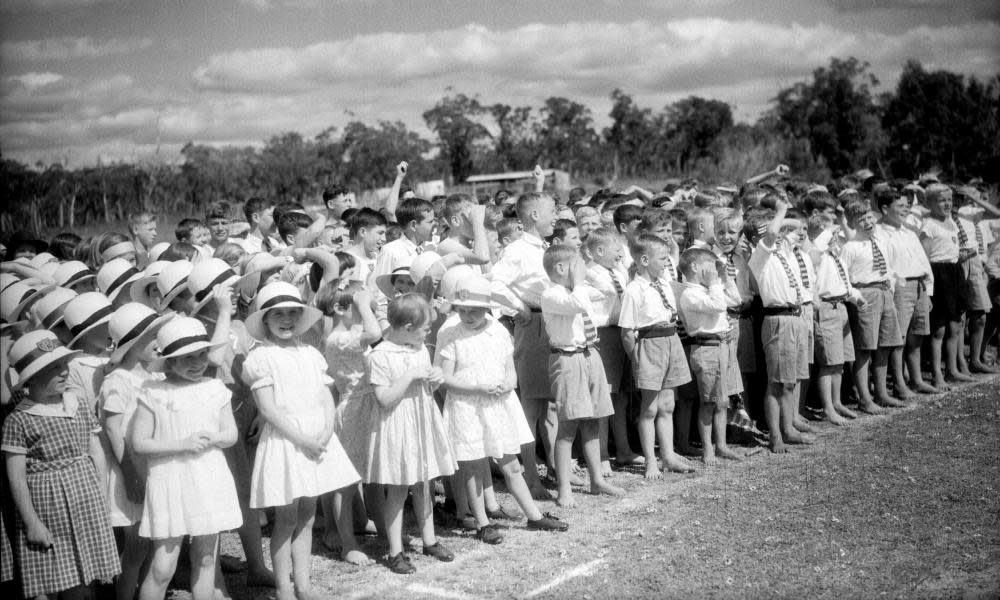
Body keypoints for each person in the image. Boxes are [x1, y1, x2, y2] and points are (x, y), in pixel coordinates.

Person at [243, 282, 363, 596]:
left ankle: (304, 584)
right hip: (286, 441)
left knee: (308, 517)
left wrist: (324, 431)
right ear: (265, 319)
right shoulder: (261, 357)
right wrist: (302, 439)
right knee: (285, 519)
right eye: (278, 314)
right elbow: (268, 409)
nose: (286, 320)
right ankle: (284, 587)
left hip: (317, 438)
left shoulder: (310, 353)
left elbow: (326, 396)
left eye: (292, 313)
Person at [439, 275, 568, 542]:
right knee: (474, 468)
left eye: (473, 309)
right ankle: (482, 523)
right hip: (467, 407)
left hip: (499, 406)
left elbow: (510, 370)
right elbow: (446, 378)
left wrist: (508, 384)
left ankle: (534, 516)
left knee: (511, 465)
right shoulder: (451, 334)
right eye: (461, 310)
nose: (466, 315)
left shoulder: (498, 331)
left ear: (486, 307)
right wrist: (475, 389)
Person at [2, 330, 121, 600]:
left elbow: (96, 452)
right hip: (48, 508)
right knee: (49, 579)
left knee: (86, 578)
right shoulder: (19, 420)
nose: (64, 372)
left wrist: (101, 493)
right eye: (53, 367)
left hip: (85, 499)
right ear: (31, 377)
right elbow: (16, 478)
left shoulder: (76, 403)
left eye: (64, 364)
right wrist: (32, 522)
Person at [130, 317, 242, 600]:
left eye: (202, 355)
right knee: (162, 566)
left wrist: (213, 438)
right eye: (187, 357)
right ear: (169, 361)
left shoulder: (215, 388)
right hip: (170, 481)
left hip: (208, 477)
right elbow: (139, 443)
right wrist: (182, 444)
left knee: (206, 559)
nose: (197, 363)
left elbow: (230, 434)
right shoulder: (153, 391)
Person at [365, 294, 456, 574]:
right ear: (406, 327)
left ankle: (429, 539)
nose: (428, 334)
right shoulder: (379, 355)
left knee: (425, 482)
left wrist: (435, 377)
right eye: (425, 329)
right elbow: (383, 398)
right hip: (397, 424)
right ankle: (395, 551)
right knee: (398, 489)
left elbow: (426, 380)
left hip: (421, 419)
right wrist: (409, 376)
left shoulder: (418, 349)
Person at [540, 245, 626, 506]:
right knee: (568, 427)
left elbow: (605, 292)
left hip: (590, 354)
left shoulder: (577, 289)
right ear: (561, 269)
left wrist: (584, 274)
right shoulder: (551, 294)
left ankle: (597, 480)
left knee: (592, 421)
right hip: (567, 359)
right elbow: (578, 304)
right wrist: (578, 280)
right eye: (577, 265)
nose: (583, 270)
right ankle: (564, 487)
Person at [490, 192, 559, 500]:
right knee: (531, 408)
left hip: (552, 325)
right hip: (534, 329)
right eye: (552, 211)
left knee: (549, 408)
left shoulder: (543, 246)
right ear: (533, 215)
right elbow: (496, 283)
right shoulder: (517, 249)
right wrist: (520, 308)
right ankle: (530, 478)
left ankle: (554, 470)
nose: (556, 216)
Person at [101, 303, 170, 600]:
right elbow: (114, 431)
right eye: (150, 337)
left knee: (155, 541)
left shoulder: (156, 376)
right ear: (130, 345)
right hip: (131, 469)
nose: (159, 342)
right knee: (136, 547)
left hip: (156, 468)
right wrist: (131, 474)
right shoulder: (117, 381)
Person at [619, 233, 696, 476]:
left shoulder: (663, 283)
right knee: (649, 409)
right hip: (650, 345)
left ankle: (668, 455)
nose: (666, 263)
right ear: (643, 260)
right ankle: (651, 460)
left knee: (667, 404)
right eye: (662, 258)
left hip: (671, 340)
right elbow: (627, 332)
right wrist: (637, 360)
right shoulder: (634, 290)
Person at [316, 281, 382, 558]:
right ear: (340, 309)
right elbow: (375, 332)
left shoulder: (354, 332)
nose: (364, 310)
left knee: (373, 474)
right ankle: (347, 542)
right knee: (345, 480)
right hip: (354, 410)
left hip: (370, 404)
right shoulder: (339, 339)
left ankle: (372, 525)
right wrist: (365, 304)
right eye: (357, 306)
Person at [745, 202, 814, 453]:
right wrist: (781, 211)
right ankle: (775, 434)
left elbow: (796, 226)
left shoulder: (783, 251)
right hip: (778, 319)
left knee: (791, 380)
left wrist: (782, 221)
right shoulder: (759, 256)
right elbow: (773, 234)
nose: (777, 232)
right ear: (755, 237)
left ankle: (789, 428)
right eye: (770, 228)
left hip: (795, 317)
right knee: (776, 382)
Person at [677, 247, 742, 464]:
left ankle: (721, 445)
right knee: (708, 402)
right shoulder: (690, 293)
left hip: (721, 346)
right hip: (706, 348)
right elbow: (718, 305)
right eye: (710, 265)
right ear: (696, 267)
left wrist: (724, 277)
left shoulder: (709, 288)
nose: (714, 270)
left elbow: (734, 299)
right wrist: (714, 282)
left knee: (722, 400)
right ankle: (708, 449)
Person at [584, 227, 642, 469]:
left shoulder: (616, 270)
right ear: (598, 251)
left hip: (621, 331)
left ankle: (623, 449)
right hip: (605, 335)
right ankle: (602, 455)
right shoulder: (591, 273)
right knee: (604, 397)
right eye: (616, 249)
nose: (621, 253)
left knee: (620, 398)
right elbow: (613, 291)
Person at [875, 185, 938, 395]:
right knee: (898, 338)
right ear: (885, 209)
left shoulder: (909, 232)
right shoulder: (879, 233)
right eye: (900, 206)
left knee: (917, 336)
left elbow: (923, 261)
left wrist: (927, 291)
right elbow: (885, 266)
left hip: (919, 286)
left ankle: (916, 379)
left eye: (906, 206)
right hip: (900, 289)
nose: (905, 210)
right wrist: (895, 290)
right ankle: (899, 384)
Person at [806, 216, 863, 424]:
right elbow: (816, 248)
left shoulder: (836, 256)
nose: (833, 239)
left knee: (839, 362)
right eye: (830, 236)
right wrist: (826, 231)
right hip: (826, 308)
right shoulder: (816, 255)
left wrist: (856, 297)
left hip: (841, 307)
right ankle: (828, 407)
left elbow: (844, 283)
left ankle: (837, 402)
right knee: (828, 363)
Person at [920, 184, 972, 389]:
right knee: (939, 328)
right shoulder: (929, 225)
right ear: (929, 203)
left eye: (949, 200)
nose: (947, 204)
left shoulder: (950, 221)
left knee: (955, 325)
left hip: (955, 272)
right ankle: (936, 374)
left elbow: (951, 247)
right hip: (938, 274)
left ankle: (952, 370)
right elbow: (924, 257)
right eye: (942, 200)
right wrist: (928, 287)